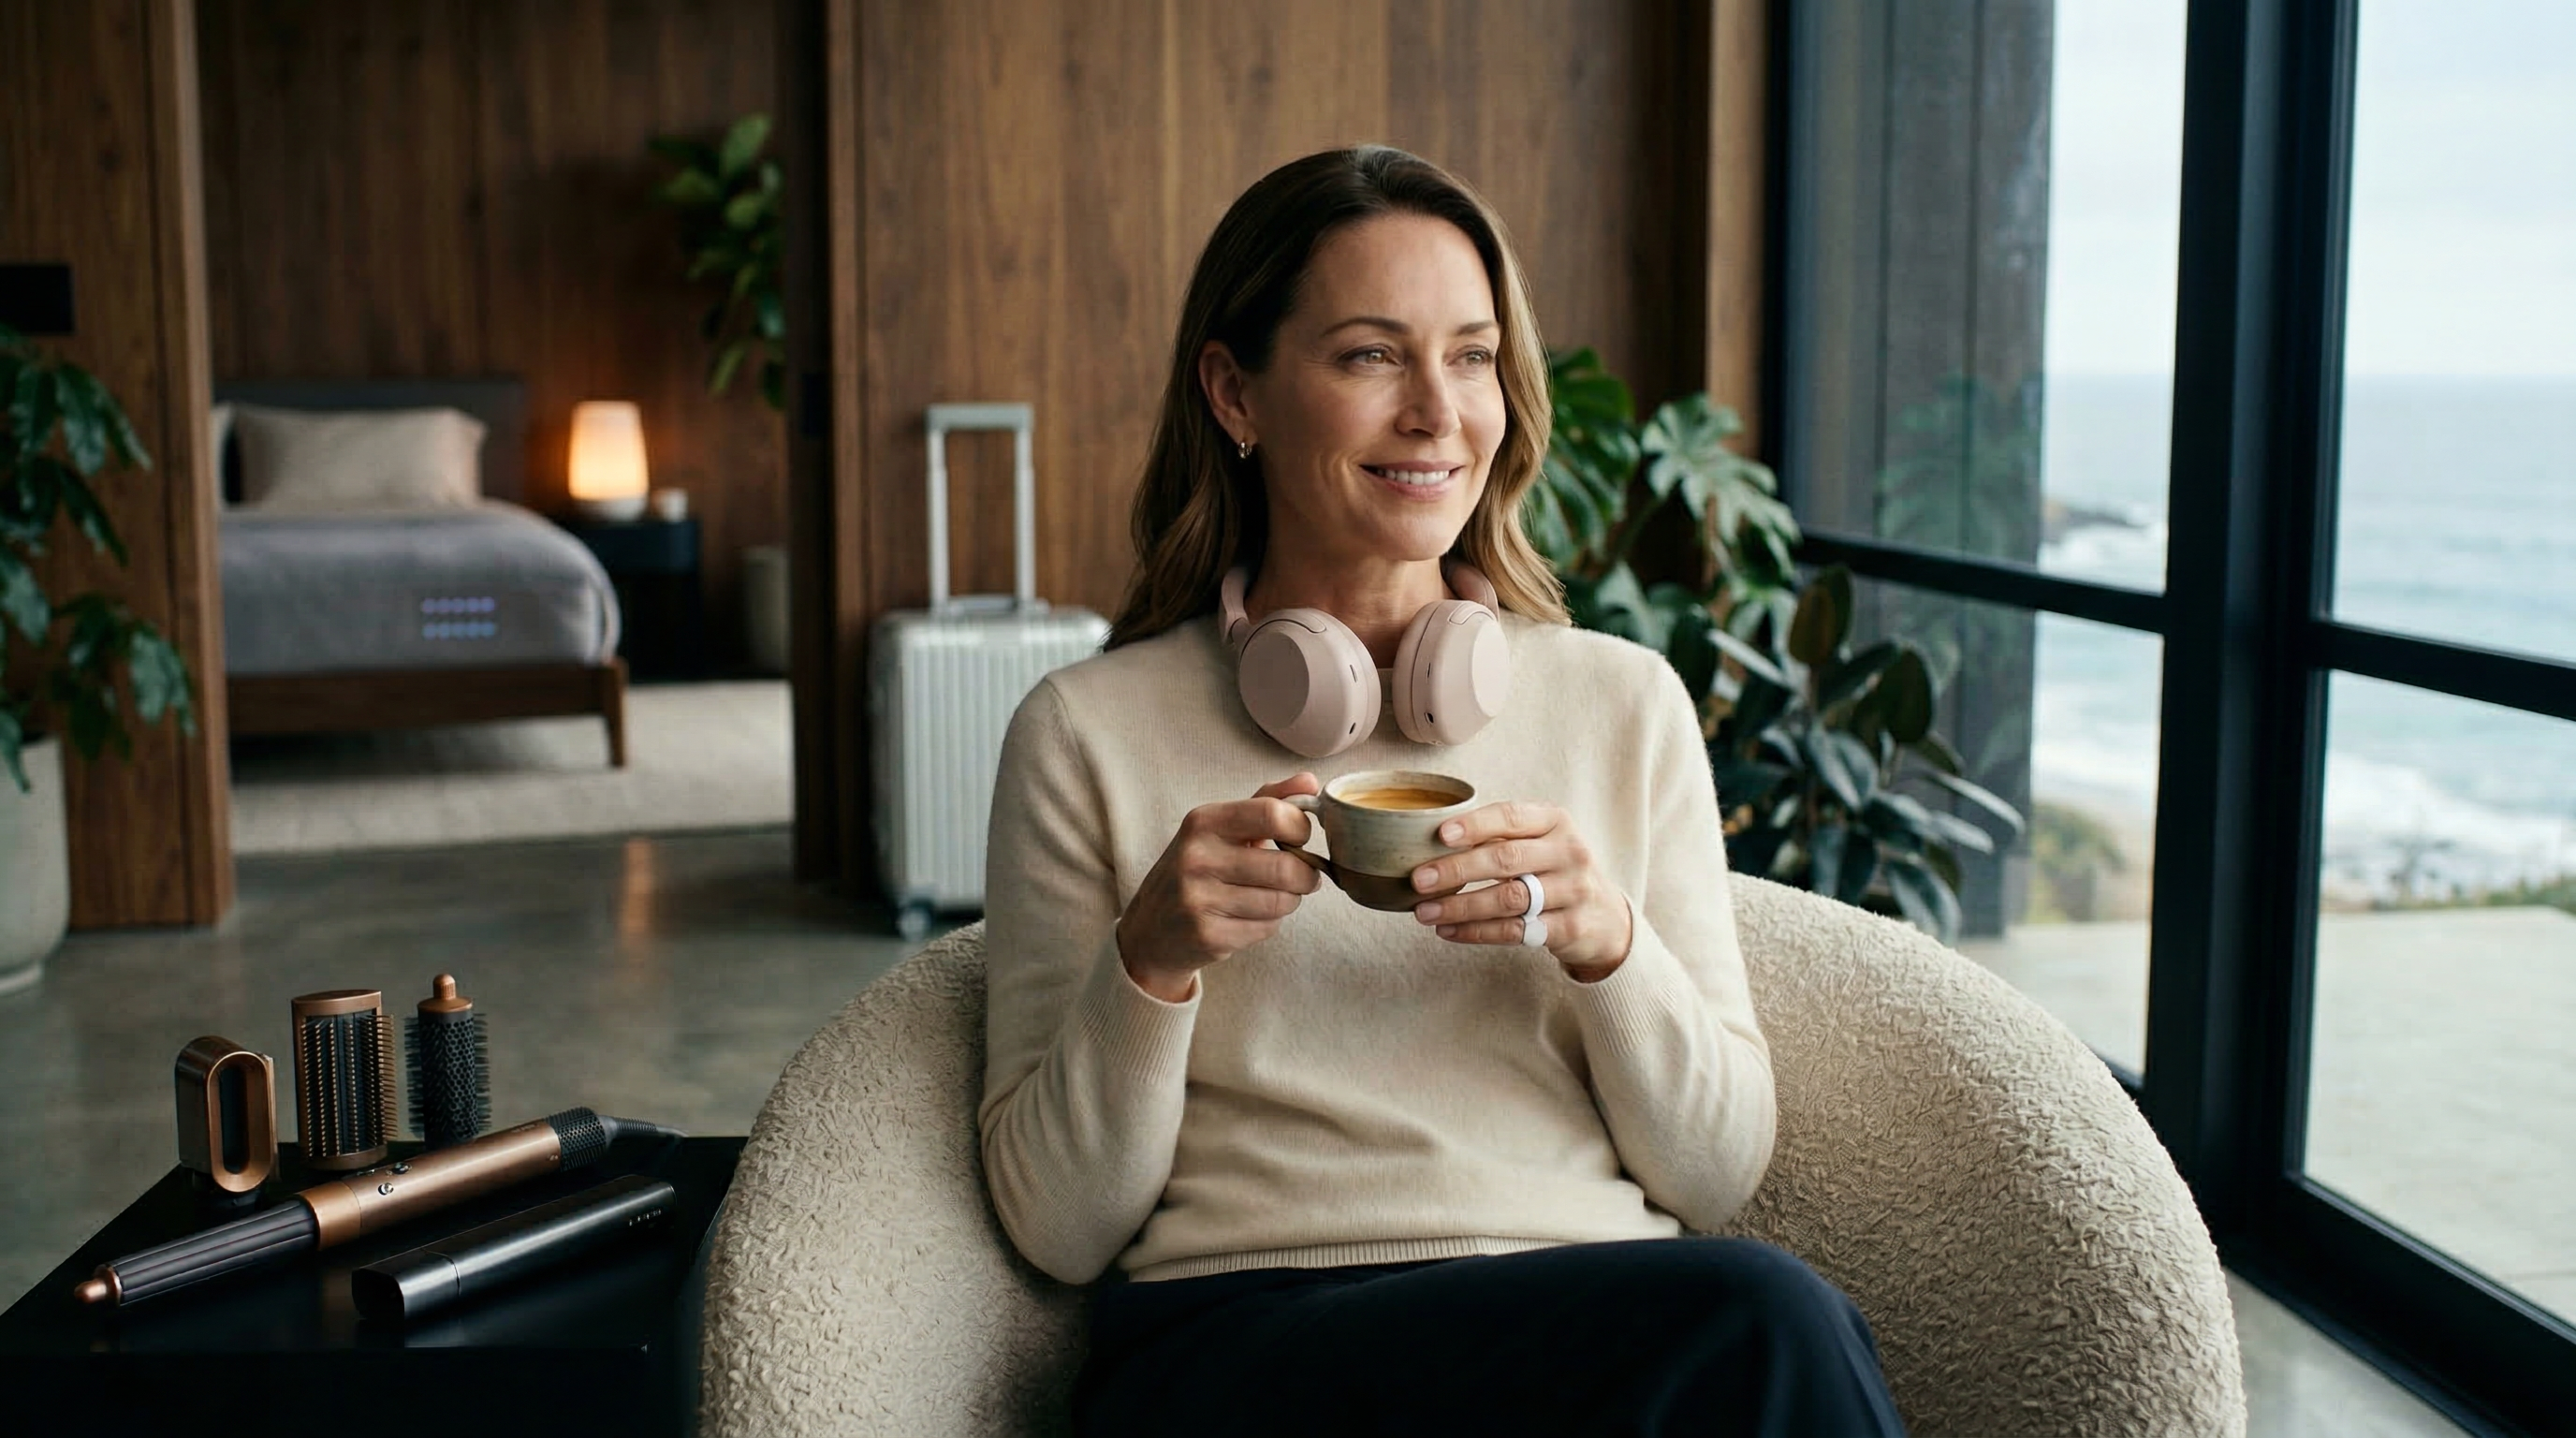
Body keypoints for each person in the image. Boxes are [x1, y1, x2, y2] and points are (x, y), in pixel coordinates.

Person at [979, 144, 1905, 1437]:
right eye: (1371, 355)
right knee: (1772, 1323)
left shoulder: (1622, 703)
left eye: (1472, 357)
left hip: (1596, 1323)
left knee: (1753, 1318)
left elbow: (1713, 1173)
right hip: (1246, 1351)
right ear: (1235, 393)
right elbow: (1058, 1229)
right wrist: (1152, 959)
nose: (1438, 412)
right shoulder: (1084, 731)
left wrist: (1608, 948)